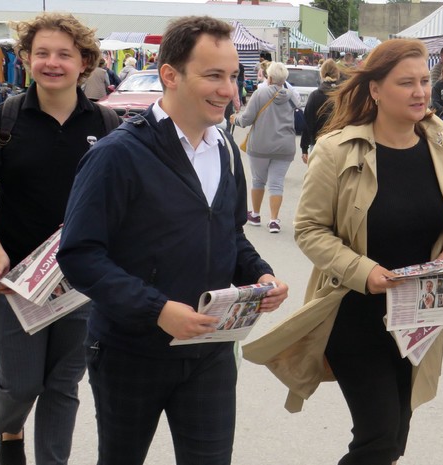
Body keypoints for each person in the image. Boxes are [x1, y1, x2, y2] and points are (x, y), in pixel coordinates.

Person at [57, 16, 288, 465]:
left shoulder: (224, 148)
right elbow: (80, 255)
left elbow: (229, 233)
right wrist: (157, 310)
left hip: (210, 351)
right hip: (129, 352)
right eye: (214, 75)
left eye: (234, 76)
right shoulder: (117, 154)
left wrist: (260, 274)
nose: (229, 90)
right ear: (170, 74)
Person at [242, 38, 443, 465]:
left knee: (394, 437)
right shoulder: (336, 149)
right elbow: (309, 229)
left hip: (416, 315)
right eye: (406, 82)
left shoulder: (437, 141)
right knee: (378, 437)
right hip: (353, 313)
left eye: (425, 81)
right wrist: (364, 271)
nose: (420, 92)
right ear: (376, 89)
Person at [0, 13, 119, 465]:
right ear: (26, 59)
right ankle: (11, 429)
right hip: (16, 282)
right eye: (42, 53)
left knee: (63, 385)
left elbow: (123, 202)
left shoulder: (107, 124)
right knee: (21, 384)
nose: (52, 62)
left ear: (84, 62)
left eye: (64, 54)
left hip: (81, 283)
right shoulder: (1, 121)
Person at [231, 61, 300, 234]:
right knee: (277, 184)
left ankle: (255, 215)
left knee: (258, 180)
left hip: (260, 145)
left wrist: (234, 120)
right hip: (285, 146)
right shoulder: (292, 96)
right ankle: (274, 221)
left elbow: (246, 119)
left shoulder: (260, 93)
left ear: (269, 78)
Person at [300, 58, 339, 164]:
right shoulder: (344, 95)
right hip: (340, 145)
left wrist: (304, 148)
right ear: (337, 74)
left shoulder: (315, 95)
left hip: (318, 144)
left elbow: (308, 123)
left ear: (321, 74)